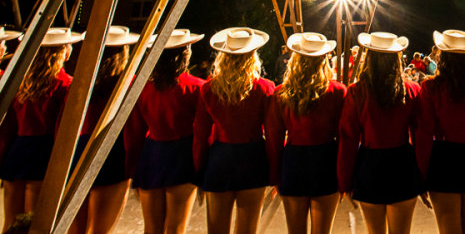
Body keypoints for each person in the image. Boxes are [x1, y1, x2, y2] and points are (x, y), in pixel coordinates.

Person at [0, 27, 83, 233]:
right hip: (44, 153)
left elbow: (9, 123)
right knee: (36, 224)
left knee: (10, 223)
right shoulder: (65, 83)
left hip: (17, 151)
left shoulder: (20, 80)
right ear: (62, 51)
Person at [338, 31, 421, 234]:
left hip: (370, 164)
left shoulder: (358, 91)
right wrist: (423, 175)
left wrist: (344, 180)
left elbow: (348, 138)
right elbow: (421, 135)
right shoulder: (410, 90)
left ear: (369, 58)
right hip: (402, 162)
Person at [193, 27, 274, 234]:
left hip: (220, 159)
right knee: (248, 229)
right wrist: (275, 172)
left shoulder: (208, 89)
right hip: (253, 158)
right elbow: (273, 135)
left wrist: (199, 171)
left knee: (217, 229)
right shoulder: (264, 88)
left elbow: (200, 136)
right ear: (253, 57)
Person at [125, 28, 205, 234]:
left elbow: (133, 132)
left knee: (151, 228)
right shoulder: (197, 88)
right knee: (175, 227)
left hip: (151, 155)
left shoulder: (142, 87)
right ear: (186, 53)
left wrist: (132, 168)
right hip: (183, 156)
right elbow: (203, 132)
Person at [267, 32, 344, 234]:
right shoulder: (337, 91)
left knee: (295, 230)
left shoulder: (281, 93)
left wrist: (275, 175)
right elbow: (345, 136)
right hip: (327, 160)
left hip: (294, 161)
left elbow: (274, 138)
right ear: (324, 59)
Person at [416, 30, 465, 234]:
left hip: (443, 159)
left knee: (449, 229)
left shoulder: (430, 88)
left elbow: (424, 133)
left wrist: (421, 175)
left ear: (442, 58)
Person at [70, 26, 142, 234]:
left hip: (80, 149)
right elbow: (135, 126)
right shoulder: (128, 83)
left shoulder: (82, 80)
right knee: (100, 229)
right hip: (113, 151)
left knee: (73, 227)